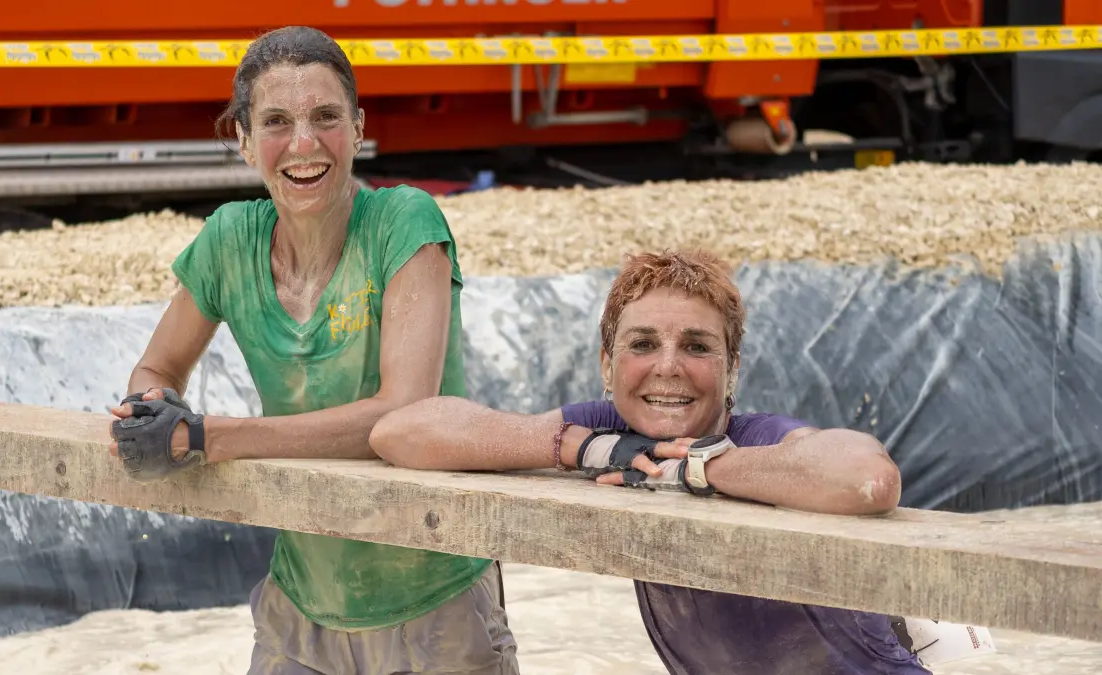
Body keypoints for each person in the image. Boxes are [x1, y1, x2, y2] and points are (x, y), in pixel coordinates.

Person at [105, 26, 518, 675]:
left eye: (325, 116)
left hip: (435, 605)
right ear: (243, 141)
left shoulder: (404, 224)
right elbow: (157, 368)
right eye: (276, 121)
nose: (303, 143)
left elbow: (400, 416)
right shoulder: (230, 240)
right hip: (301, 608)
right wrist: (148, 411)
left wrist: (206, 436)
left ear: (358, 129)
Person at [368, 248, 931, 675]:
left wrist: (699, 469)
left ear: (732, 368)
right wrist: (584, 447)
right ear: (607, 365)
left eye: (696, 346)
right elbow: (402, 431)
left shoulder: (758, 440)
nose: (667, 367)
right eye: (642, 345)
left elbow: (869, 478)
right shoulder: (614, 429)